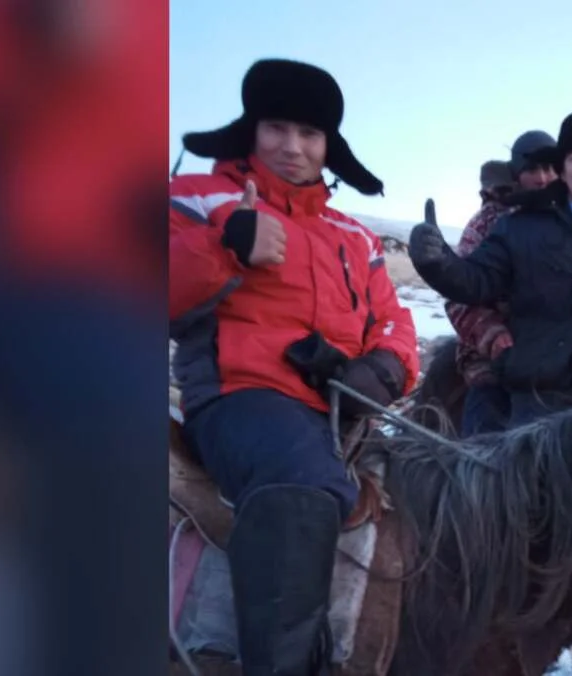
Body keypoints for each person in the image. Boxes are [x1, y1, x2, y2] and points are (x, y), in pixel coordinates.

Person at [169, 58, 420, 674]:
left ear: (328, 145)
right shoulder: (200, 200)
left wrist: (384, 371)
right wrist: (225, 249)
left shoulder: (353, 236)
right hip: (240, 397)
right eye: (277, 127)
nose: (293, 146)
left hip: (336, 413)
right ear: (250, 130)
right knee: (306, 482)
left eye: (309, 134)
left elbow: (394, 321)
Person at [410, 107, 572, 427]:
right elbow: (474, 282)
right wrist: (438, 262)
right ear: (565, 167)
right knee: (488, 455)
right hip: (538, 394)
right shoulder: (517, 225)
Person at [447, 131, 558, 435]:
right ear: (516, 175)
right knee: (485, 432)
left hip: (558, 350)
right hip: (496, 356)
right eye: (533, 170)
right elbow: (458, 295)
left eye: (550, 168)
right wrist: (493, 335)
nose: (543, 178)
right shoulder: (487, 223)